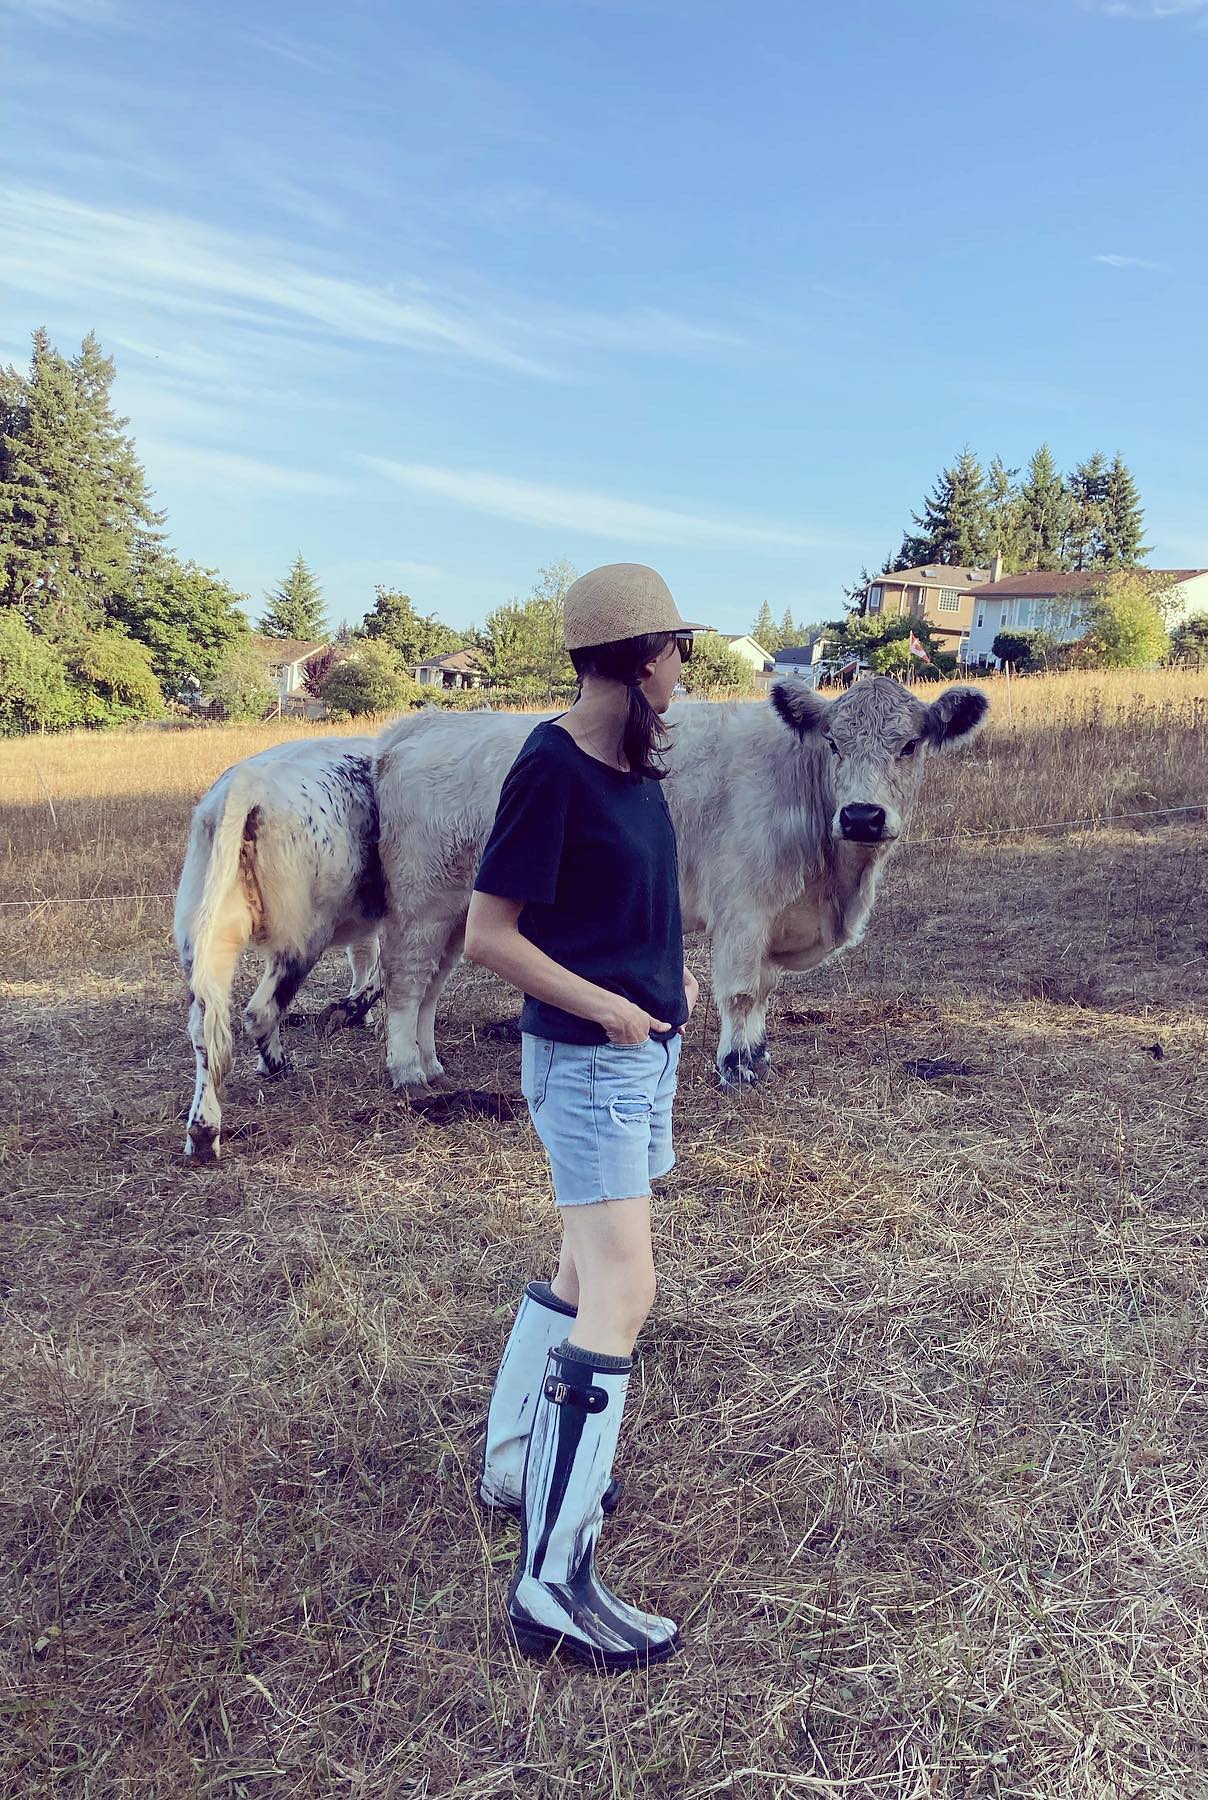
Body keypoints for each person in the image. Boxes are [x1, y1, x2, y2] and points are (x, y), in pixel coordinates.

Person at [464, 562, 703, 1672]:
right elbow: (490, 934)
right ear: (637, 655)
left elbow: (633, 901)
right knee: (625, 1286)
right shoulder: (552, 767)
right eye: (678, 649)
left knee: (577, 1270)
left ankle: (516, 1466)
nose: (683, 670)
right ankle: (553, 1585)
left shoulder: (636, 764)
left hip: (642, 1056)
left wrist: (670, 980)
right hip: (593, 1060)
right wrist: (611, 1004)